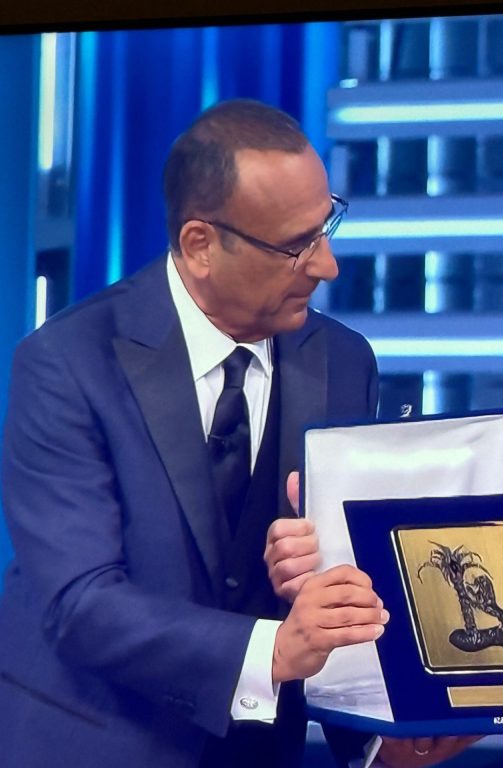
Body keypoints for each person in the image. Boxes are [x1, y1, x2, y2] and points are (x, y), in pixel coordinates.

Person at [0, 99, 388, 768]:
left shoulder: (345, 362)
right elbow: (82, 603)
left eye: (327, 227)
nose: (327, 266)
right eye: (298, 246)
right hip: (95, 744)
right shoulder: (66, 363)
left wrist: (386, 735)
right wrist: (273, 650)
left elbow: (356, 577)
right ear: (200, 245)